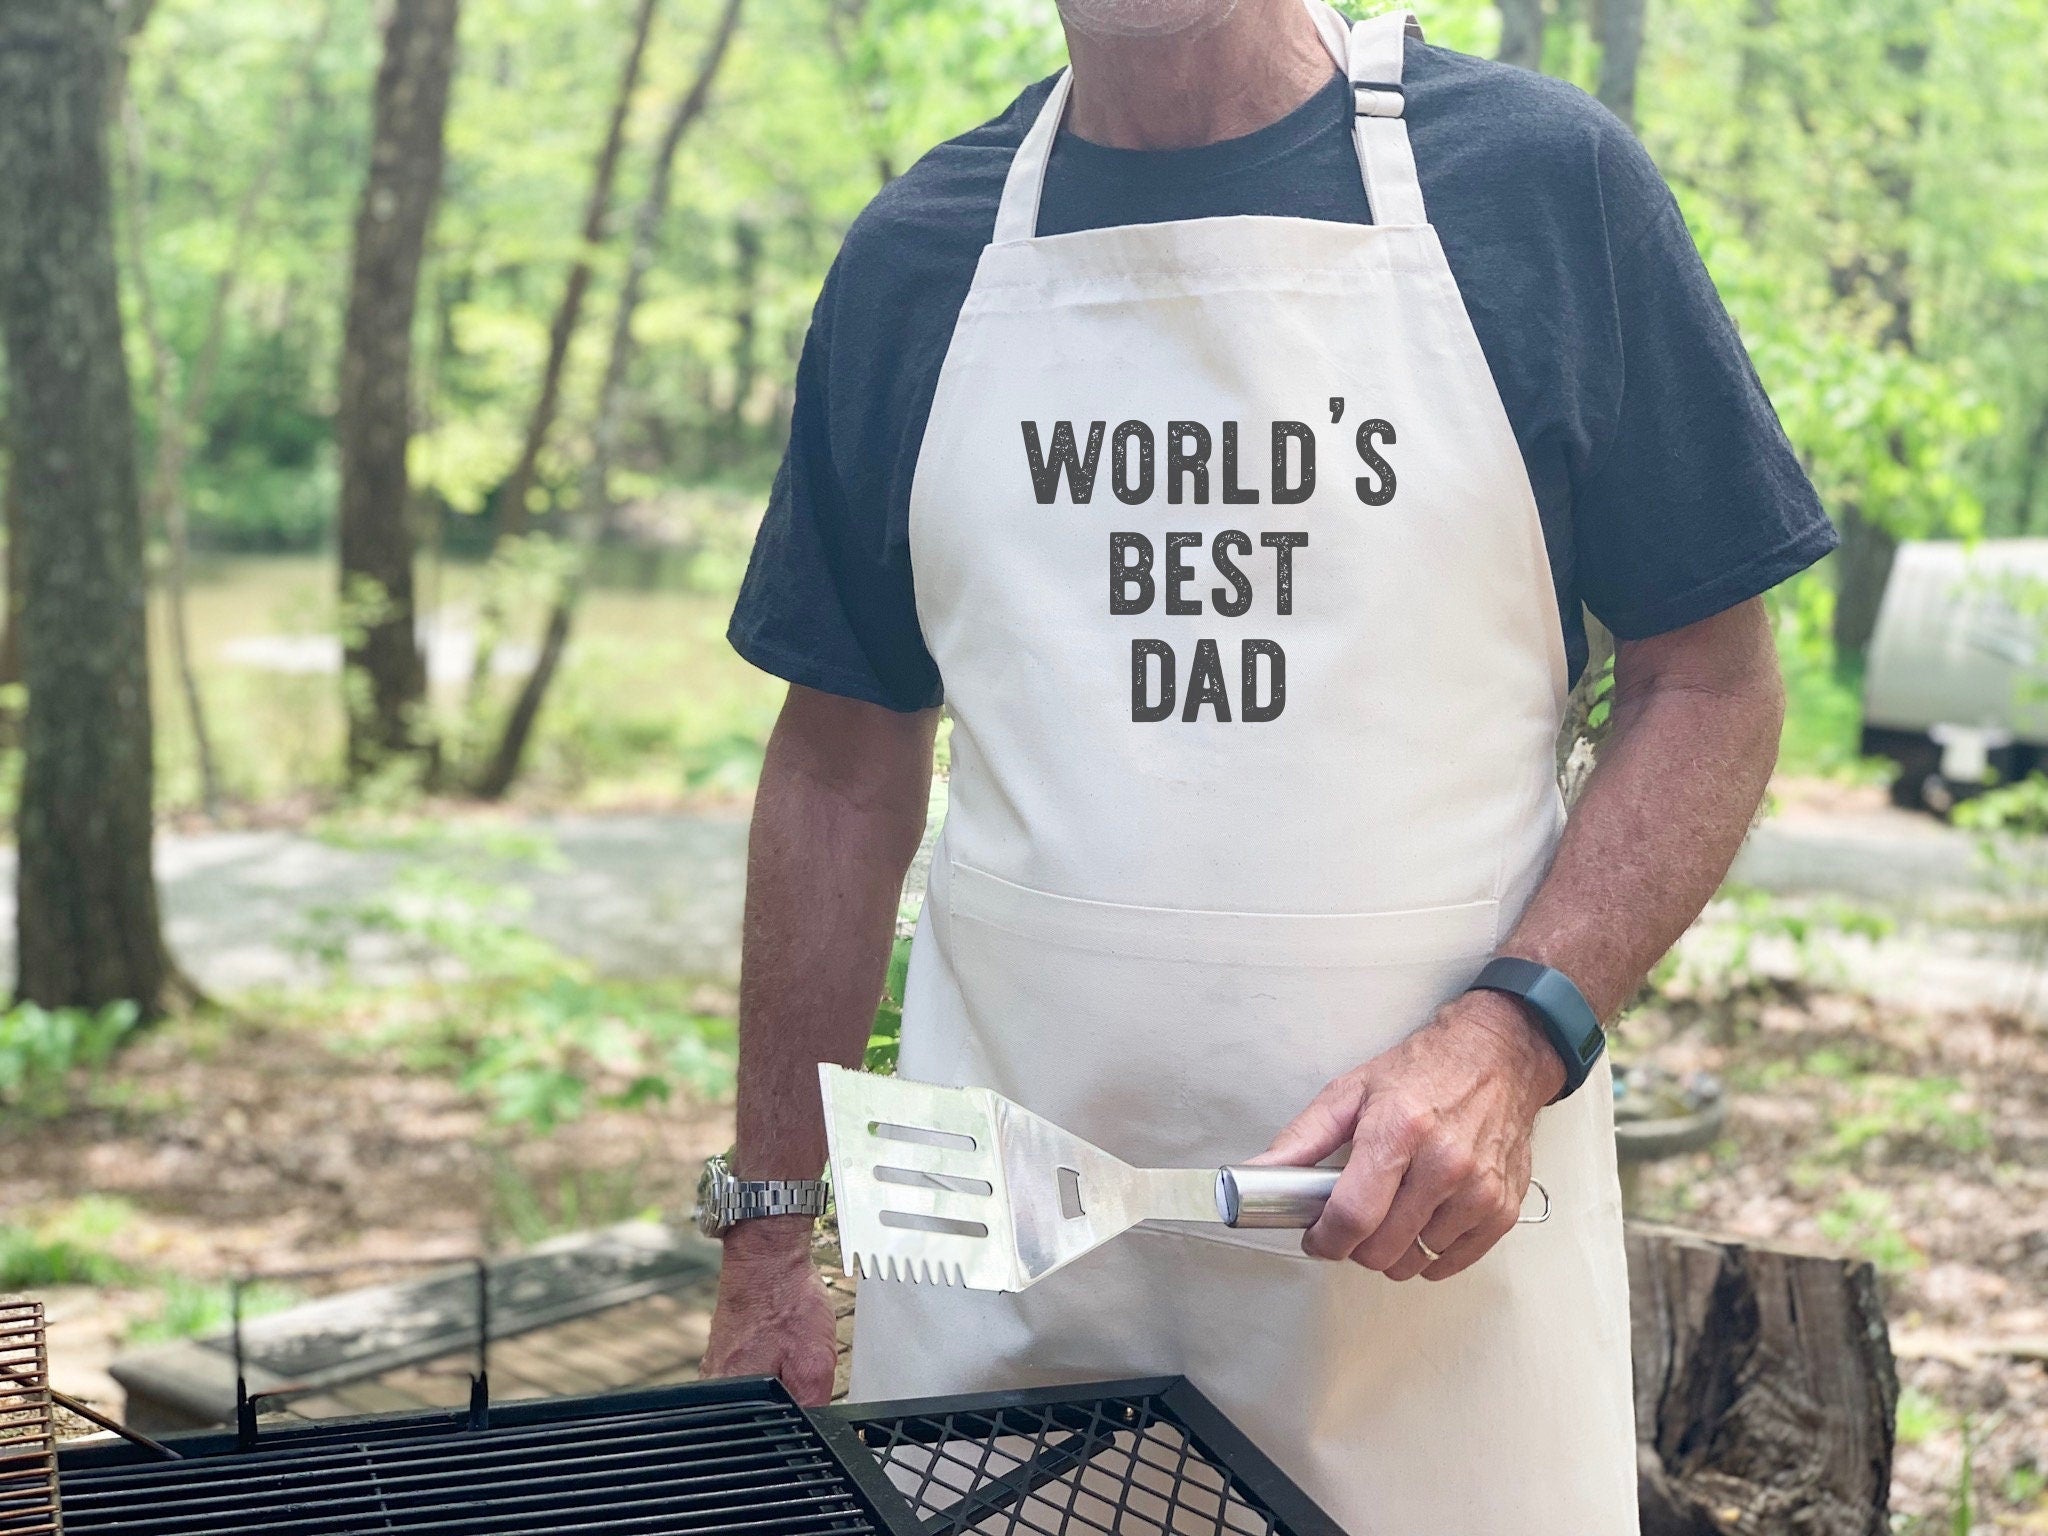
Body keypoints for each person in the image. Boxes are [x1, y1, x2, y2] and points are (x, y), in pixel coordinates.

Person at [698, 0, 1836, 1529]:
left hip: (1429, 1300)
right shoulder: (920, 257)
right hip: (1005, 1304)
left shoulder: (1540, 190)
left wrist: (1515, 1036)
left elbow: (1711, 682)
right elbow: (839, 764)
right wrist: (769, 1231)